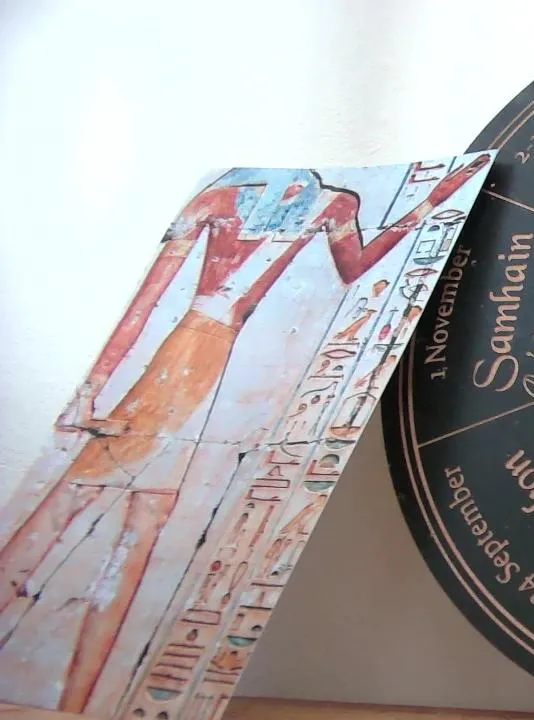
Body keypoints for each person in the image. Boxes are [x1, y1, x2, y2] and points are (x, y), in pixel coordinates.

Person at [0, 154, 489, 710]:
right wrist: (93, 389)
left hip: (216, 362)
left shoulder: (333, 204)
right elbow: (148, 305)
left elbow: (356, 267)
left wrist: (431, 203)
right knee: (96, 501)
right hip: (188, 354)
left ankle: (86, 700)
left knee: (141, 517)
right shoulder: (224, 201)